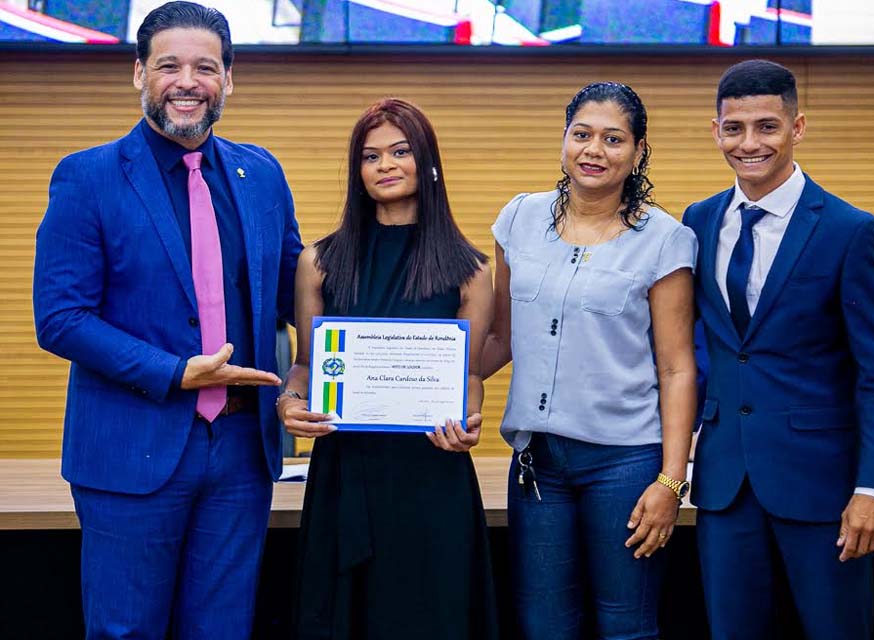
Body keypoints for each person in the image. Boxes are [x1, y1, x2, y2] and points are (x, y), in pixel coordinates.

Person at [32, 2, 303, 638]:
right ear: (138, 73)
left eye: (206, 67)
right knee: (126, 631)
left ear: (229, 79)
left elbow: (301, 293)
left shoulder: (260, 173)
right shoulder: (87, 177)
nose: (188, 82)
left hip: (241, 452)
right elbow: (61, 318)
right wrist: (174, 372)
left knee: (223, 630)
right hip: (131, 449)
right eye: (169, 65)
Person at [682, 59, 874, 640]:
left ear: (797, 127)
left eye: (767, 126)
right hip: (725, 482)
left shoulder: (851, 230)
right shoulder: (699, 221)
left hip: (823, 487)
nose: (749, 143)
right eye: (734, 128)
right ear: (716, 131)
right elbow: (706, 350)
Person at [482, 82, 698, 640]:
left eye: (613, 139)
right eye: (581, 134)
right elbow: (501, 337)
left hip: (625, 464)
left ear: (639, 151)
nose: (593, 150)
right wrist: (425, 390)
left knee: (625, 626)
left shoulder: (666, 239)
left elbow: (677, 369)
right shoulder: (519, 219)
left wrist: (672, 481)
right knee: (543, 625)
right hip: (538, 467)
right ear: (563, 140)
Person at [277, 98, 498, 639]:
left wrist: (468, 420)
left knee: (432, 619)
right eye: (371, 156)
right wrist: (288, 403)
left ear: (428, 163)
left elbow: (467, 379)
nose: (386, 165)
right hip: (344, 473)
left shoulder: (471, 270)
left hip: (432, 476)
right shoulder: (319, 261)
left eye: (401, 152)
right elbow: (306, 365)